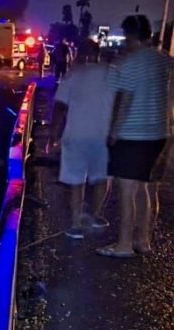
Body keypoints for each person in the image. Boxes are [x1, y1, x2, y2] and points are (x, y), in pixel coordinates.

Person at [99, 15, 174, 258]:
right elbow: (170, 96)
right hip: (159, 134)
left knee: (126, 191)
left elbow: (123, 99)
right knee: (144, 188)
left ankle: (123, 244)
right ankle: (143, 240)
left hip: (133, 134)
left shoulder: (129, 62)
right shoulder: (165, 61)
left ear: (130, 35)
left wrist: (113, 131)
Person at [51, 39, 115, 239]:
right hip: (103, 135)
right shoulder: (111, 72)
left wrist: (54, 134)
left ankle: (76, 224)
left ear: (79, 53)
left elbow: (60, 106)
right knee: (102, 178)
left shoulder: (73, 74)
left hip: (76, 135)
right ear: (98, 53)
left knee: (76, 179)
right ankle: (95, 216)